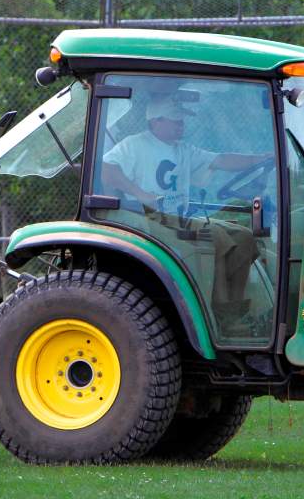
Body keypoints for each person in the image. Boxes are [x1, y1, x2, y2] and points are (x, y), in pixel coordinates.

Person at [102, 96, 272, 329]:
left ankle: (234, 310)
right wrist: (139, 192)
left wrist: (259, 159)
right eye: (175, 120)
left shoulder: (183, 149)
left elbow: (221, 160)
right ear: (156, 121)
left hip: (180, 219)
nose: (181, 124)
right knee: (216, 238)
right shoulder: (135, 145)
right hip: (150, 221)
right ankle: (221, 317)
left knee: (243, 237)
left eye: (182, 120)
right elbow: (106, 170)